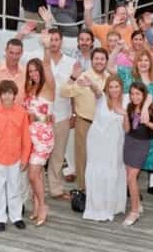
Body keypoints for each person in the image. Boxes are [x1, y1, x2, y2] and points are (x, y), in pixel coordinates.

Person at [118, 49, 153, 198]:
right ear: (136, 62)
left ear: (151, 63)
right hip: (133, 124)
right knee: (133, 155)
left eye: (146, 60)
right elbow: (110, 67)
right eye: (140, 60)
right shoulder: (129, 77)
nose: (143, 63)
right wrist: (121, 50)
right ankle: (131, 186)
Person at [0, 80, 31, 232]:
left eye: (9, 93)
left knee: (15, 187)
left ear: (14, 95)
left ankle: (16, 216)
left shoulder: (22, 113)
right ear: (0, 95)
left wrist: (24, 158)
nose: (7, 96)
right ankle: (0, 217)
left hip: (15, 157)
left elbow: (26, 137)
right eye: (4, 93)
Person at [60, 48, 110, 191]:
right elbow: (64, 92)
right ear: (92, 60)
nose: (99, 61)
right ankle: (83, 189)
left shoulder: (109, 77)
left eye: (102, 59)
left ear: (106, 61)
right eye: (96, 59)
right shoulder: (83, 77)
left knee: (102, 157)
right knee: (83, 158)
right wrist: (73, 77)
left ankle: (99, 188)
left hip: (104, 125)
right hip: (85, 123)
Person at [36, 27, 77, 201]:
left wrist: (74, 113)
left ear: (61, 41)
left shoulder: (71, 62)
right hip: (43, 116)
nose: (53, 43)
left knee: (58, 154)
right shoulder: (39, 60)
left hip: (63, 114)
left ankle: (56, 189)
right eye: (50, 40)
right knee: (39, 155)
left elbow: (75, 90)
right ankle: (36, 191)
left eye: (56, 40)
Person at [82, 75, 128, 222]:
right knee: (96, 171)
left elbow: (128, 128)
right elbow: (96, 90)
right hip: (97, 142)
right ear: (107, 88)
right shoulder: (101, 98)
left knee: (112, 171)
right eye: (111, 86)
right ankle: (96, 206)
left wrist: (125, 114)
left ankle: (112, 206)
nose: (114, 90)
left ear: (121, 88)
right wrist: (91, 84)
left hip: (115, 144)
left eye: (117, 86)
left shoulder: (127, 101)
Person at [22, 37, 56, 226]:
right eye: (31, 71)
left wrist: (46, 47)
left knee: (33, 173)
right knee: (38, 174)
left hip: (43, 137)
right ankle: (36, 203)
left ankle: (43, 205)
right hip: (30, 136)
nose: (34, 73)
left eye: (36, 70)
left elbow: (48, 64)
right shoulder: (30, 88)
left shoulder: (48, 87)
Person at [123, 82, 153, 225]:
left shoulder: (152, 108)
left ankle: (134, 211)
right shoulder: (129, 107)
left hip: (142, 144)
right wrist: (124, 117)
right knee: (130, 177)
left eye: (138, 94)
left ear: (143, 95)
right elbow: (128, 130)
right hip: (129, 142)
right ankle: (137, 205)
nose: (134, 97)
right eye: (132, 94)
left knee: (131, 178)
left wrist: (148, 124)